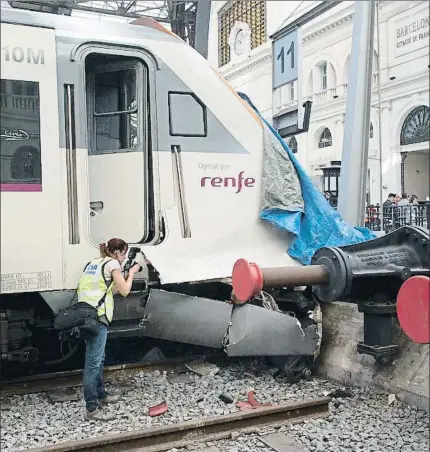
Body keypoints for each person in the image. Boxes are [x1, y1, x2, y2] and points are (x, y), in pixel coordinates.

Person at [77, 238, 141, 421]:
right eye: (124, 254)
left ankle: (102, 395)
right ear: (118, 252)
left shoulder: (94, 262)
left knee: (98, 358)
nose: (124, 258)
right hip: (98, 317)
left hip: (86, 315)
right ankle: (91, 409)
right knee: (93, 363)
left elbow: (104, 289)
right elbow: (125, 291)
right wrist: (132, 273)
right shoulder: (112, 263)